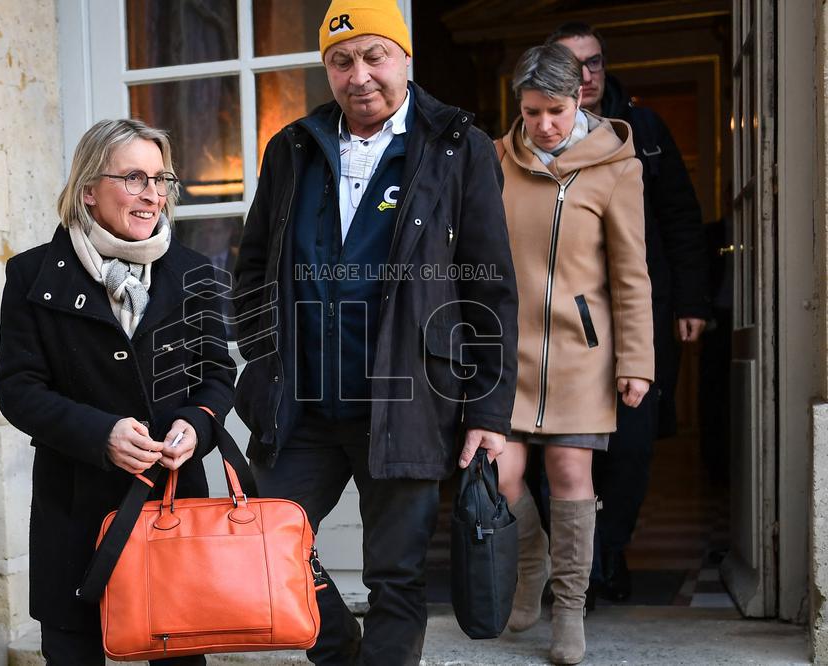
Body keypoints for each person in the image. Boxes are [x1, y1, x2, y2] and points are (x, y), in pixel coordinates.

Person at [232, 1, 518, 663]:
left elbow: (490, 288)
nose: (358, 75)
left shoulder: (458, 146)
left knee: (397, 576)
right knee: (268, 547)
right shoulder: (293, 147)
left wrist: (487, 410)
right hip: (300, 404)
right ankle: (340, 653)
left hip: (406, 401)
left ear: (404, 58)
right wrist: (264, 357)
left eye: (373, 56)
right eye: (340, 61)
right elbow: (253, 267)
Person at [0, 119, 235, 665]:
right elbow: (17, 388)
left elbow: (218, 375)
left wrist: (196, 424)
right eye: (133, 178)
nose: (152, 194)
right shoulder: (31, 274)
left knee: (178, 653)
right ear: (88, 191)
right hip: (73, 509)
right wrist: (101, 434)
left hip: (170, 502)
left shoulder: (192, 271)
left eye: (160, 179)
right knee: (73, 651)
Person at [494, 44, 653, 664]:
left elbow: (632, 273)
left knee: (568, 476)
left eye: (555, 111)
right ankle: (531, 558)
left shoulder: (617, 167)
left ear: (580, 97)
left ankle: (568, 609)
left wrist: (636, 361)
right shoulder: (495, 160)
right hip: (508, 350)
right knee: (500, 474)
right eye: (531, 112)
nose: (543, 125)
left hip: (581, 352)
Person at [550, 22, 711, 603]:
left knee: (634, 445)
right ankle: (582, 567)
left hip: (643, 310)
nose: (586, 75)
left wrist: (691, 300)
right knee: (567, 447)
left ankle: (609, 550)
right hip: (565, 321)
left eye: (593, 62)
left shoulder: (645, 129)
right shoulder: (541, 132)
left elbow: (681, 218)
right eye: (572, 66)